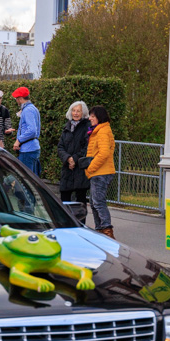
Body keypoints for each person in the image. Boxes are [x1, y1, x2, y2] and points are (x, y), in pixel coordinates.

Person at [85, 105, 116, 238]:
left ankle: (107, 231)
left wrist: (90, 168)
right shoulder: (100, 130)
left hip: (100, 172)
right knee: (94, 202)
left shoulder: (102, 131)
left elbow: (103, 153)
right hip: (99, 172)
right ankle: (100, 230)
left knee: (98, 202)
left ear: (99, 117)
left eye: (93, 116)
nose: (90, 118)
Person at [57, 101, 90, 223]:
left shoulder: (87, 126)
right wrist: (67, 159)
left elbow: (86, 148)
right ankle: (66, 224)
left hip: (80, 169)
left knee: (80, 200)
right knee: (64, 199)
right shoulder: (67, 126)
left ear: (83, 113)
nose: (75, 113)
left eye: (78, 111)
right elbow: (60, 147)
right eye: (74, 110)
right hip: (67, 168)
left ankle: (81, 225)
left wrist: (74, 159)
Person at [12, 87, 41, 176]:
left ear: (20, 98)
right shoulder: (33, 108)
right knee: (33, 179)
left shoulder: (27, 110)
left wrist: (18, 140)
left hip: (27, 150)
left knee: (26, 181)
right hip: (33, 147)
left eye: (16, 98)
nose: (16, 100)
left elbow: (32, 130)